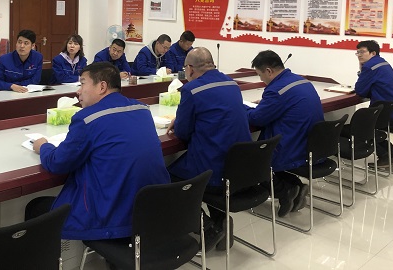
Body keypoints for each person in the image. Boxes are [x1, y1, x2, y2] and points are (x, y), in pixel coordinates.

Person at [28, 62, 170, 240]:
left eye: (82, 83)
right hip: (151, 213)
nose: (78, 91)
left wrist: (43, 146)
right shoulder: (142, 109)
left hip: (111, 220)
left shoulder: (87, 118)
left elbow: (58, 163)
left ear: (102, 86)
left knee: (36, 207)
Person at [167, 47, 251, 252]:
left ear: (190, 69)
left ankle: (207, 226)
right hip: (239, 166)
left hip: (213, 166)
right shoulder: (232, 84)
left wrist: (181, 120)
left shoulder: (191, 90)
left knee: (167, 179)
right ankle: (221, 220)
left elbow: (183, 133)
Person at [245, 50, 324, 218]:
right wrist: (266, 104)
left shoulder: (277, 90)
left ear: (268, 71)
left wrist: (242, 108)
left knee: (252, 161)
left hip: (293, 146)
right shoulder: (300, 81)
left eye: (260, 75)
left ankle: (285, 190)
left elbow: (257, 118)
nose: (261, 80)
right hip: (311, 145)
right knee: (264, 155)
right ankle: (296, 186)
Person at [355, 40, 393, 167]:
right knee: (370, 125)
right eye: (357, 52)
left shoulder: (369, 66)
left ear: (373, 53)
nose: (359, 55)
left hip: (390, 113)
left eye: (362, 52)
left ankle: (385, 156)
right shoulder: (382, 62)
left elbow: (360, 90)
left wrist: (361, 70)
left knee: (362, 126)